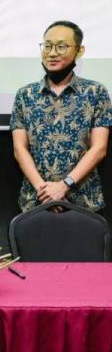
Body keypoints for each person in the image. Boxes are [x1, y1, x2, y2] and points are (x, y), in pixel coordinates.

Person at [10, 20, 111, 212]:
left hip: (83, 201)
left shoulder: (95, 92)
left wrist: (64, 185)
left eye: (61, 46)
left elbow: (99, 148)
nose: (52, 52)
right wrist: (45, 190)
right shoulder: (26, 94)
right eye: (47, 46)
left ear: (79, 51)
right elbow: (19, 148)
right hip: (36, 200)